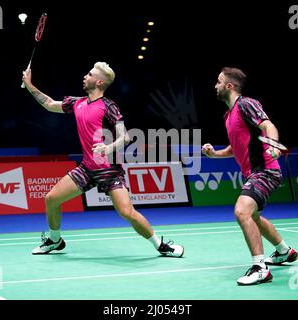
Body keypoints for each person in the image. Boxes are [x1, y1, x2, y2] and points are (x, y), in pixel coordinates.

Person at [22, 62, 184, 258]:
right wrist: (29, 85)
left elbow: (125, 137)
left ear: (99, 82)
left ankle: (161, 246)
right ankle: (55, 240)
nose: (85, 76)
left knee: (127, 212)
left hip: (109, 169)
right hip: (86, 168)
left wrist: (108, 148)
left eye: (89, 74)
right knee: (52, 199)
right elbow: (49, 104)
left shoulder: (109, 106)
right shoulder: (77, 103)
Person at [202, 67, 298, 285]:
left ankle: (260, 267)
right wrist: (214, 153)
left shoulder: (246, 104)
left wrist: (274, 145)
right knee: (253, 216)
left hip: (266, 170)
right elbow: (235, 147)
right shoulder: (228, 115)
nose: (214, 86)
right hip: (253, 172)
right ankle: (284, 251)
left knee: (242, 210)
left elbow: (268, 125)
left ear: (229, 86)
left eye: (218, 82)